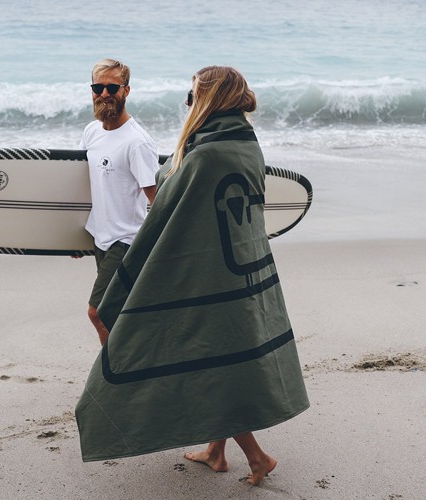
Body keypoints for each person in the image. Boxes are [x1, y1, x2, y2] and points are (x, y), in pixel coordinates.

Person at [75, 66, 309, 487]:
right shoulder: (245, 145)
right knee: (219, 360)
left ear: (207, 101)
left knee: (204, 359)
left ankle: (258, 457)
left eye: (191, 96)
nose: (187, 103)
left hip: (204, 277)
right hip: (242, 271)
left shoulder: (203, 156)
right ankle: (218, 452)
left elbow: (166, 213)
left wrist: (132, 273)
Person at [78, 58, 158, 346]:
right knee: (117, 313)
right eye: (97, 88)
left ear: (126, 90)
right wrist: (73, 234)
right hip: (100, 237)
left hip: (126, 240)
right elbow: (84, 186)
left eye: (112, 88)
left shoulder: (137, 142)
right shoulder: (91, 132)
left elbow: (157, 200)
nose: (104, 94)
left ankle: (112, 368)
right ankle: (134, 361)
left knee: (98, 311)